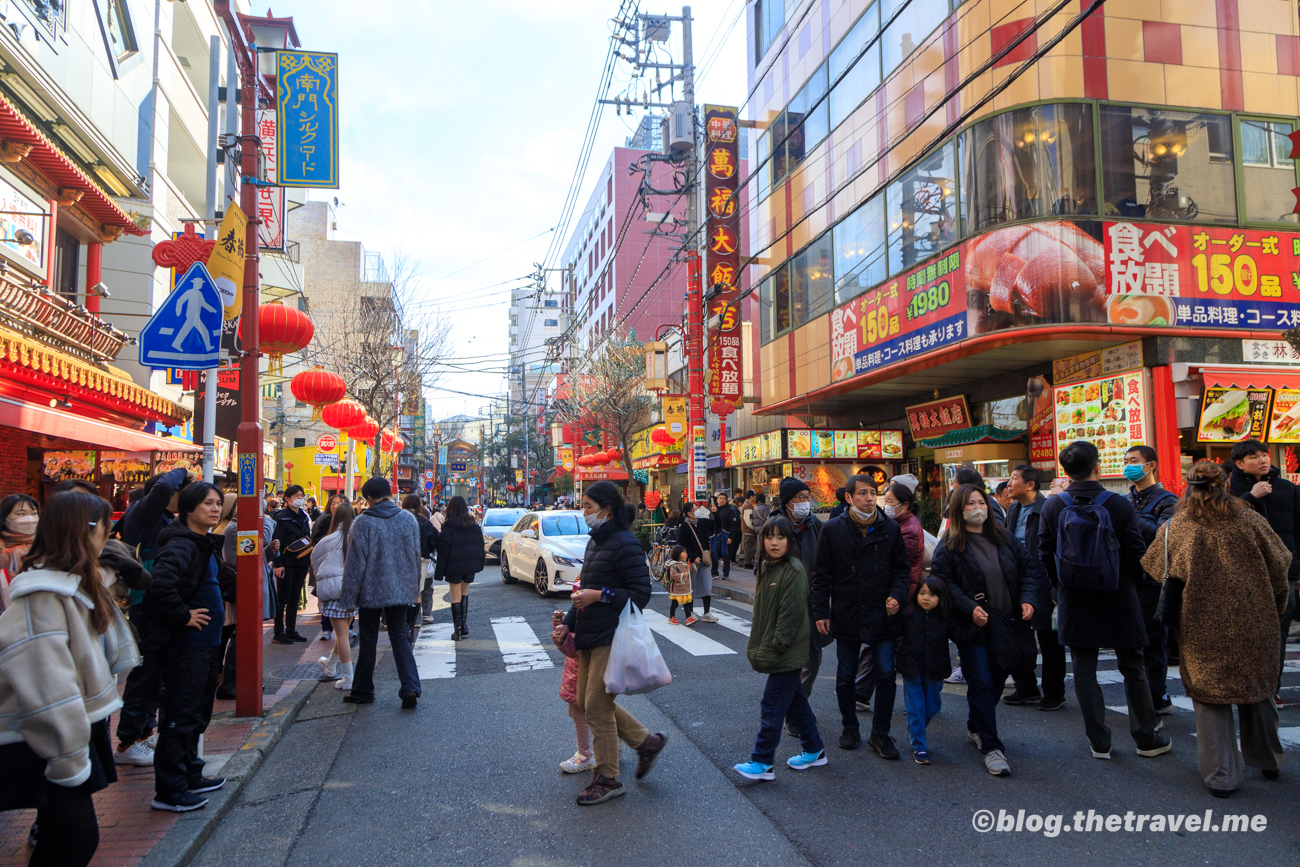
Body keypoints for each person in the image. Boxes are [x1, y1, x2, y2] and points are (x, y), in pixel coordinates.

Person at [0, 490, 138, 867]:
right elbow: (48, 689)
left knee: (63, 836)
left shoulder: (70, 582)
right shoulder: (45, 594)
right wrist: (70, 759)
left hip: (66, 730)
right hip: (50, 736)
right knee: (74, 839)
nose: (107, 538)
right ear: (86, 530)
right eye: (105, 529)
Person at [1141, 461, 1291, 797]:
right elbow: (1280, 564)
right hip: (1255, 618)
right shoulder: (1251, 519)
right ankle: (1268, 761)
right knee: (1258, 691)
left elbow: (1155, 567)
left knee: (1211, 700)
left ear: (1188, 486)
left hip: (1200, 623)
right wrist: (1275, 605)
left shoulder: (1177, 527)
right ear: (1223, 483)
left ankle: (1221, 777)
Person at [1038, 441, 1170, 761]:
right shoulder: (1118, 504)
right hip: (1119, 596)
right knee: (1133, 666)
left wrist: (1061, 587)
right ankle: (1145, 737)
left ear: (1065, 470)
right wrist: (1131, 585)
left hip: (1075, 597)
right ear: (1097, 466)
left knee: (1084, 669)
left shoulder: (1054, 506)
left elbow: (1043, 552)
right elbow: (1138, 552)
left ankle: (1099, 741)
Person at [553, 481, 666, 805]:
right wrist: (568, 625)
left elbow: (641, 595)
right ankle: (645, 742)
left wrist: (600, 596)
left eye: (588, 506)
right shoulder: (595, 542)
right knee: (589, 703)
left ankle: (607, 777)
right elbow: (583, 590)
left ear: (607, 509)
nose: (584, 512)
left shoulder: (626, 544)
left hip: (612, 636)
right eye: (583, 505)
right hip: (589, 634)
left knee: (597, 706)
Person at [930, 484, 1038, 776]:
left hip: (1008, 623)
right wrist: (968, 607)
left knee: (999, 677)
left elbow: (1029, 569)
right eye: (970, 504)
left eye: (981, 502)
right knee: (982, 680)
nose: (977, 508)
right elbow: (942, 582)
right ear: (958, 510)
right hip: (973, 626)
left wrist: (1028, 599)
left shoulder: (1003, 538)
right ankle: (992, 747)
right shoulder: (950, 545)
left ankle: (976, 724)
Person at [809, 473, 910, 757]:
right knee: (845, 675)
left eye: (873, 493)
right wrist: (821, 610)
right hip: (847, 612)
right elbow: (821, 575)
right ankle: (849, 727)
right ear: (849, 498)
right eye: (863, 493)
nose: (869, 498)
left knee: (887, 674)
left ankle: (881, 734)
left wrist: (896, 595)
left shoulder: (889, 528)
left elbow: (902, 570)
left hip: (882, 612)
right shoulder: (833, 530)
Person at [144, 482, 227, 812]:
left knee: (196, 714)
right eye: (207, 503)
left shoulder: (201, 543)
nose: (215, 509)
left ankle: (191, 773)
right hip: (186, 646)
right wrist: (182, 616)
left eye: (218, 503)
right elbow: (159, 586)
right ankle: (169, 789)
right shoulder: (180, 544)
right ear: (189, 509)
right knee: (180, 715)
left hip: (207, 643)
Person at [733, 515, 826, 781]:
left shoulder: (794, 570)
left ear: (790, 541)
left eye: (781, 537)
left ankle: (762, 761)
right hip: (779, 646)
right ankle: (814, 749)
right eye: (769, 537)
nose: (774, 542)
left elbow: (791, 615)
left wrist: (775, 645)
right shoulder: (766, 566)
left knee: (772, 704)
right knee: (795, 701)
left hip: (787, 649)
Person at [114, 465, 190, 767]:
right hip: (144, 605)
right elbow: (162, 487)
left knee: (155, 673)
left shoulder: (162, 518)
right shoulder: (143, 513)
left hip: (155, 604)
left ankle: (144, 732)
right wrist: (184, 469)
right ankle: (128, 741)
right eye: (180, 491)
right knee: (143, 674)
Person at [1228, 439, 1300, 710]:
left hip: (1283, 572)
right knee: (1247, 631)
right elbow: (1223, 523)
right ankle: (1247, 684)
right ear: (1239, 463)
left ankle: (1273, 687)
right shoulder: (1229, 489)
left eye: (1264, 455)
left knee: (1278, 632)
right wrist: (1250, 498)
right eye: (1254, 456)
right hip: (1243, 573)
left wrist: (1297, 569)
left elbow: (1297, 530)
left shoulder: (1287, 488)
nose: (1263, 460)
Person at [340, 478, 423, 708]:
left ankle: (363, 691)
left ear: (368, 498)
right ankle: (410, 687)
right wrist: (413, 588)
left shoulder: (363, 523)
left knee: (368, 639)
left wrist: (348, 598)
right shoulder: (408, 519)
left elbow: (354, 566)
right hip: (400, 588)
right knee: (399, 635)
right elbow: (415, 558)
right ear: (389, 493)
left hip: (370, 590)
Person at [896, 576, 978, 764]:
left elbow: (961, 635)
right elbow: (893, 630)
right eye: (922, 593)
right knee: (915, 706)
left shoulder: (945, 617)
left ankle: (916, 730)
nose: (926, 598)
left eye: (932, 594)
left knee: (932, 705)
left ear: (941, 598)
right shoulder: (908, 613)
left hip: (935, 667)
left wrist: (977, 625)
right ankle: (919, 745)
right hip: (911, 667)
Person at [1124, 445, 1180, 715]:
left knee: (1153, 642)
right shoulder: (1127, 499)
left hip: (1154, 579)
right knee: (1134, 640)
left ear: (1151, 465)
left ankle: (1158, 697)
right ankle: (1144, 696)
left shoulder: (1168, 500)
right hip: (1130, 578)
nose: (1128, 466)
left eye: (1134, 461)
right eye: (1126, 461)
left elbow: (1165, 536)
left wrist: (1131, 518)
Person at [1002, 465, 1062, 709]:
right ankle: (1026, 687)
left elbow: (1057, 551)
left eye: (1014, 478)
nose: (1009, 483)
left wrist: (1056, 589)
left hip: (1044, 583)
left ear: (1030, 485)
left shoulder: (1049, 509)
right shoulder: (1014, 508)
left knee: (1049, 641)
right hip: (1017, 582)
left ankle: (1055, 693)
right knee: (1018, 636)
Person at [779, 478, 826, 701]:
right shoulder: (775, 526)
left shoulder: (816, 525)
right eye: (800, 498)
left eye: (808, 498)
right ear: (787, 501)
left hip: (813, 602)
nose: (805, 503)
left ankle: (798, 705)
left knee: (813, 659)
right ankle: (795, 713)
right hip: (786, 605)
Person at [313, 503, 357, 690]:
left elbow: (315, 564)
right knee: (344, 633)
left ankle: (348, 678)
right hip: (353, 591)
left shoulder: (326, 540)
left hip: (332, 592)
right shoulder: (357, 538)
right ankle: (330, 666)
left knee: (342, 635)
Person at [551, 581, 595, 774]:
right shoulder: (585, 619)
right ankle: (612, 745)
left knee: (579, 712)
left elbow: (572, 649)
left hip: (580, 675)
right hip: (577, 672)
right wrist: (562, 627)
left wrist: (561, 636)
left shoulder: (584, 624)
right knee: (586, 711)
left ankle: (584, 754)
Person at [434, 496, 485, 640]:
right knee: (464, 594)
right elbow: (480, 545)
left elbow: (443, 551)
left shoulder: (448, 526)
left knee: (455, 597)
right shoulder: (473, 525)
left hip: (453, 566)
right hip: (470, 566)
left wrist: (439, 572)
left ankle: (457, 631)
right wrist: (479, 563)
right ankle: (464, 626)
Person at [270, 485, 314, 644]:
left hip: (301, 562)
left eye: (301, 495)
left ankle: (291, 629)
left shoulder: (303, 516)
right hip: (286, 563)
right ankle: (278, 632)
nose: (300, 498)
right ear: (287, 499)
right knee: (283, 598)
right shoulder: (281, 517)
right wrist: (278, 563)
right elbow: (276, 543)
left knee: (295, 598)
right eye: (296, 496)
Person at [403, 495, 440, 625]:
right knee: (425, 587)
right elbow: (435, 540)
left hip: (403, 560)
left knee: (407, 588)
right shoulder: (424, 522)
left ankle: (411, 617)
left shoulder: (399, 521)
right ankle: (426, 615)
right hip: (423, 559)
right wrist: (428, 550)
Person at [0, 494, 38, 613]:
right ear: (5, 519)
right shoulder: (3, 550)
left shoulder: (44, 546)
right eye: (21, 514)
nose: (29, 519)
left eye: (33, 513)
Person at [710, 492, 738, 581]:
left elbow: (733, 525)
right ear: (717, 500)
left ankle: (726, 573)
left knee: (726, 556)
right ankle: (714, 572)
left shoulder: (730, 511)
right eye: (720, 498)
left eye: (723, 498)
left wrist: (730, 537)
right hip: (715, 536)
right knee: (714, 554)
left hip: (725, 536)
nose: (721, 500)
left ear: (726, 501)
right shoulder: (714, 510)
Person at [665, 545, 695, 625]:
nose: (686, 554)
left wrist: (693, 564)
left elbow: (691, 569)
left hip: (685, 588)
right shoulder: (674, 565)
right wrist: (682, 575)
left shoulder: (684, 564)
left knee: (687, 603)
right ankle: (671, 617)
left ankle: (688, 617)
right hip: (677, 588)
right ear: (678, 554)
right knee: (675, 603)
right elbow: (674, 575)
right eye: (684, 552)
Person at [738, 492, 758, 568]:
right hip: (748, 531)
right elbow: (748, 521)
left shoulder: (747, 504)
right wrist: (754, 528)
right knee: (749, 547)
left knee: (749, 547)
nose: (755, 498)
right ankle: (747, 563)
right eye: (754, 496)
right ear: (751, 496)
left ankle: (748, 562)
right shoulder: (747, 506)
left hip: (747, 530)